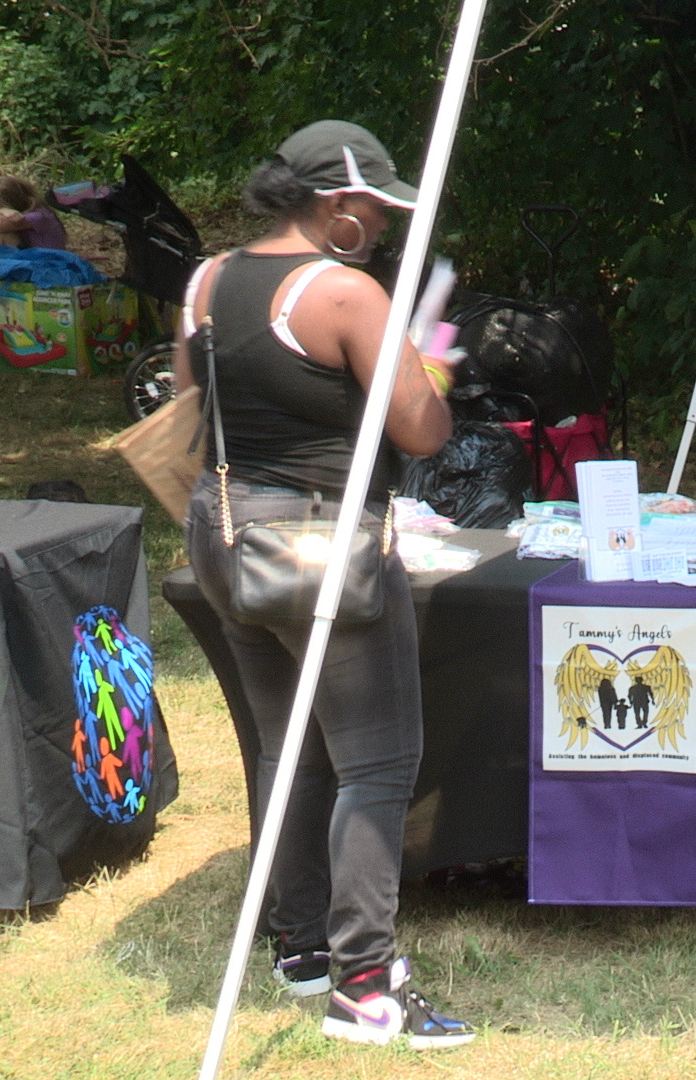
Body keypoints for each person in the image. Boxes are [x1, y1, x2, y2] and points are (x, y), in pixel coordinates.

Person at [171, 121, 472, 1051]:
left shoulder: (207, 279)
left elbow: (190, 402)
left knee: (287, 748)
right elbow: (423, 431)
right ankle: (366, 987)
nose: (382, 227)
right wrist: (426, 368)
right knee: (376, 763)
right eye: (375, 210)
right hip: (321, 546)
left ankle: (299, 944)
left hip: (224, 533)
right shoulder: (345, 291)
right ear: (337, 204)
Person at [0, 176, 66, 249]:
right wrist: (1, 212)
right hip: (31, 253)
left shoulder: (39, 216)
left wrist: (1, 211)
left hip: (46, 255)